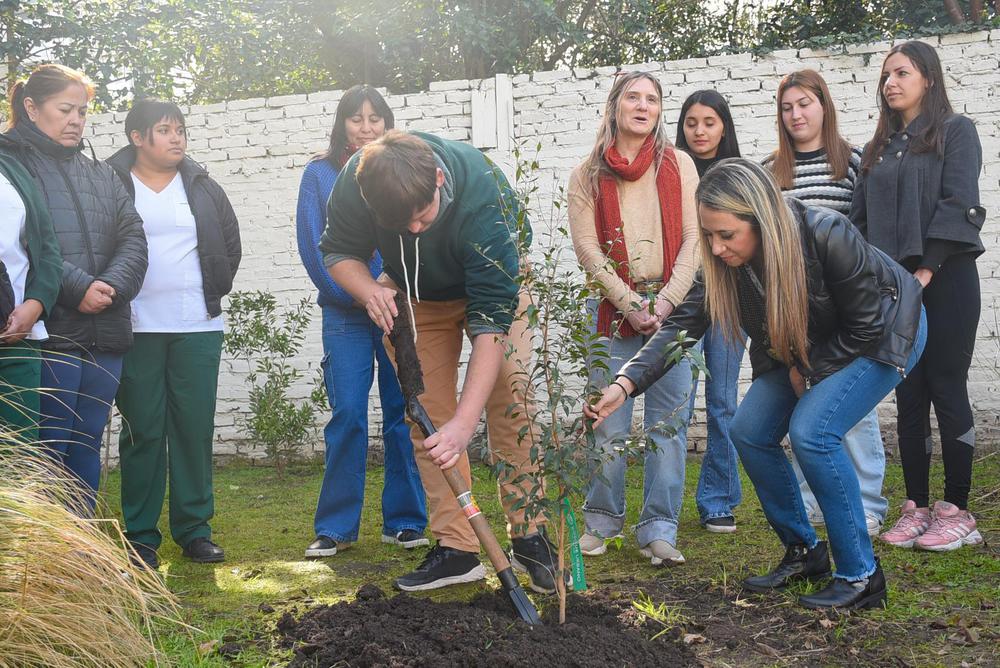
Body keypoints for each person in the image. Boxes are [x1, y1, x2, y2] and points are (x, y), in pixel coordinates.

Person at [586, 158, 926, 610]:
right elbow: (680, 326)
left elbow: (865, 325)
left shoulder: (827, 232)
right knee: (749, 431)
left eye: (726, 234)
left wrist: (808, 371)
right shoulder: (725, 264)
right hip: (810, 345)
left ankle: (861, 575)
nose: (717, 246)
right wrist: (624, 384)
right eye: (709, 235)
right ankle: (805, 551)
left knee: (814, 433)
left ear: (760, 219)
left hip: (885, 332)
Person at [319, 130, 559, 594]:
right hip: (413, 296)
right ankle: (458, 548)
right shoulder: (358, 180)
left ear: (439, 177)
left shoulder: (483, 194)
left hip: (492, 289)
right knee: (428, 417)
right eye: (400, 224)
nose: (413, 230)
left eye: (422, 216)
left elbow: (492, 327)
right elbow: (338, 252)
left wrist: (467, 425)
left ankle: (530, 534)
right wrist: (369, 290)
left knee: (513, 398)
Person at [852, 41, 986, 552]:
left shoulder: (956, 131)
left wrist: (926, 268)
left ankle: (958, 509)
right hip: (894, 290)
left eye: (901, 72)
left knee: (946, 386)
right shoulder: (878, 150)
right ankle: (918, 507)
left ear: (928, 78)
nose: (890, 82)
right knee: (908, 394)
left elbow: (959, 204)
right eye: (885, 75)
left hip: (946, 280)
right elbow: (860, 224)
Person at [567, 72, 699, 565]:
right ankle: (601, 522)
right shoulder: (586, 175)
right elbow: (587, 249)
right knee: (608, 422)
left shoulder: (681, 165)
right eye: (633, 97)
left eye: (653, 99)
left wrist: (665, 304)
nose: (643, 106)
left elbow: (694, 239)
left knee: (669, 423)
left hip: (674, 310)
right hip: (610, 312)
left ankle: (659, 529)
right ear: (615, 107)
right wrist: (630, 304)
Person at [4, 64, 147, 513]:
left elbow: (133, 236)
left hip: (106, 330)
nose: (76, 120)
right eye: (65, 109)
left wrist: (110, 286)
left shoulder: (102, 173)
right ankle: (46, 560)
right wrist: (79, 288)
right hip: (51, 330)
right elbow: (30, 245)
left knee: (86, 444)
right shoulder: (13, 169)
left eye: (82, 112)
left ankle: (84, 554)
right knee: (48, 449)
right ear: (31, 107)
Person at [295, 85, 427, 560]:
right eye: (356, 118)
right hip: (345, 314)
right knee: (348, 414)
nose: (366, 127)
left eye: (375, 118)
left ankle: (406, 522)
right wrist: (356, 294)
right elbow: (316, 250)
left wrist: (391, 295)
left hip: (398, 310)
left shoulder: (402, 169)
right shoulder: (319, 174)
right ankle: (335, 527)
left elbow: (415, 238)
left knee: (403, 412)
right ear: (341, 124)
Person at [107, 98, 241, 567]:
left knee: (192, 428)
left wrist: (213, 289)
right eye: (164, 130)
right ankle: (141, 534)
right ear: (137, 137)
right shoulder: (111, 183)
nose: (176, 137)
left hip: (198, 326)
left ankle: (194, 530)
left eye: (180, 129)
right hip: (135, 325)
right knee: (144, 428)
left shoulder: (202, 186)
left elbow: (229, 244)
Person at [765, 69, 887, 536]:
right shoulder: (771, 170)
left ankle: (870, 502)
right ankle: (816, 497)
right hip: (798, 308)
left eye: (804, 103)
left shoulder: (854, 162)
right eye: (787, 106)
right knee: (808, 404)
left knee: (853, 408)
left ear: (824, 106)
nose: (796, 114)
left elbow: (866, 233)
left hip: (846, 302)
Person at [674, 90, 744, 533]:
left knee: (722, 404)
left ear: (724, 127)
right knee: (677, 407)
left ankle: (718, 499)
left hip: (729, 303)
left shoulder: (738, 175)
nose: (699, 131)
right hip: (681, 303)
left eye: (709, 122)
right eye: (691, 122)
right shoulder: (669, 175)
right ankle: (665, 507)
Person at [0, 140, 62, 443]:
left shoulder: (12, 166)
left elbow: (48, 249)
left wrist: (35, 304)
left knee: (19, 453)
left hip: (19, 336)